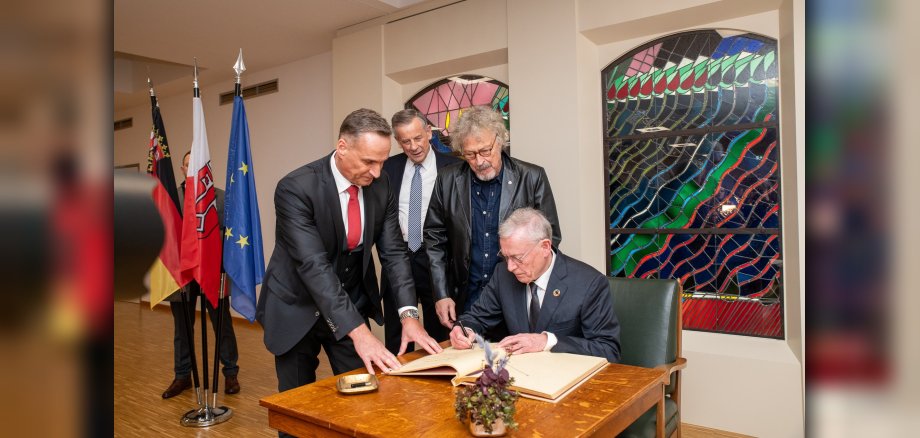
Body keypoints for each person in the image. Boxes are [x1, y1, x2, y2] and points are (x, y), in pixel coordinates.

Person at [256, 108, 443, 397]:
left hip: (348, 302)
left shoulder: (380, 186)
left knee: (365, 395)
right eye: (369, 161)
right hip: (297, 305)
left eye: (382, 162)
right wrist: (360, 333)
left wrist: (409, 316)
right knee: (297, 405)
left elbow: (394, 253)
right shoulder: (296, 188)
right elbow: (314, 266)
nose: (377, 172)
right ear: (342, 147)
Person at [425, 105, 562, 333]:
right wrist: (441, 293)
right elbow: (434, 239)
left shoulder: (531, 177)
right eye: (470, 154)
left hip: (517, 296)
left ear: (500, 141)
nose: (479, 161)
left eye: (485, 151)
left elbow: (551, 238)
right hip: (465, 298)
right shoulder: (447, 180)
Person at [449, 208, 621, 362]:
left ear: (545, 247)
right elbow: (477, 317)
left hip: (568, 383)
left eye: (517, 258)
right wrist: (463, 330)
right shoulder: (503, 275)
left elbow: (608, 349)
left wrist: (546, 341)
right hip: (517, 380)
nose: (510, 266)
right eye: (506, 257)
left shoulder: (589, 283)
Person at [380, 109, 460, 354]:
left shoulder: (454, 167)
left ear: (428, 132)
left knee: (440, 329)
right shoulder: (387, 168)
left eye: (418, 138)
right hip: (399, 256)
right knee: (397, 333)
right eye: (405, 141)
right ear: (397, 141)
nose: (413, 146)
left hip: (436, 258)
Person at [162, 151, 240, 399]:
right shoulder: (171, 199)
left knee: (222, 324)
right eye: (188, 165)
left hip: (213, 271)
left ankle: (230, 372)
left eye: (198, 165)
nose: (192, 169)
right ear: (183, 169)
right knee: (182, 329)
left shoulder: (220, 198)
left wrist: (227, 271)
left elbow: (229, 237)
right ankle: (182, 375)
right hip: (182, 273)